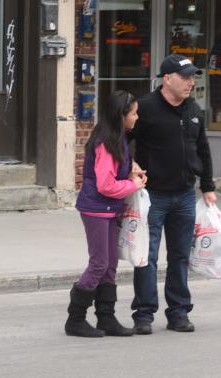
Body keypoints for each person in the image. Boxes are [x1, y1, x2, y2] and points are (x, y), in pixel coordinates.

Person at [131, 56, 216, 334]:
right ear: (167, 79)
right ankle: (144, 314)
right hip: (153, 195)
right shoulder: (145, 107)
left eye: (193, 77)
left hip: (184, 195)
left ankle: (178, 313)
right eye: (186, 77)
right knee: (148, 256)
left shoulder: (193, 108)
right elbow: (120, 139)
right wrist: (128, 165)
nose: (192, 82)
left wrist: (208, 185)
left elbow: (202, 147)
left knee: (180, 256)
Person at [67, 90, 147, 338]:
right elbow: (105, 184)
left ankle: (106, 317)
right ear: (120, 115)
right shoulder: (105, 142)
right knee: (99, 263)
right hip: (96, 208)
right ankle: (75, 319)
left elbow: (117, 171)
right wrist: (133, 185)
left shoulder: (118, 138)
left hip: (110, 209)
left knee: (110, 265)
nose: (137, 117)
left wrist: (131, 171)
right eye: (134, 113)